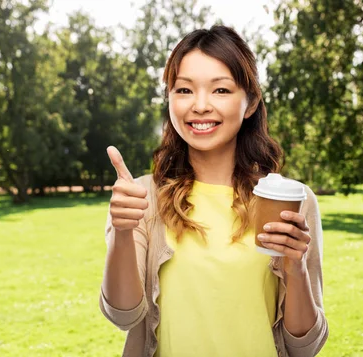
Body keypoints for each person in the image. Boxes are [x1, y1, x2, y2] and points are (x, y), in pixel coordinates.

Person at [100, 25, 328, 357]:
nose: (201, 106)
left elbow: (305, 346)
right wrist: (122, 232)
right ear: (170, 100)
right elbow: (122, 314)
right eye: (184, 90)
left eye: (220, 90)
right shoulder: (140, 197)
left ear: (249, 104)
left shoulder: (293, 201)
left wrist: (296, 267)